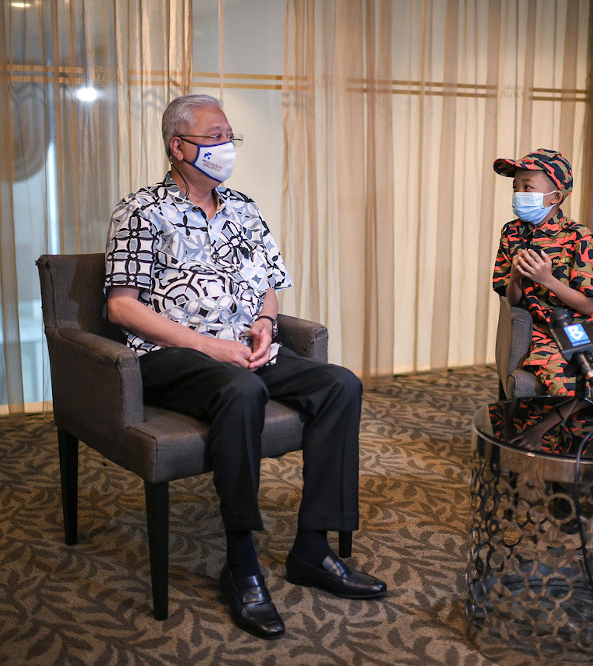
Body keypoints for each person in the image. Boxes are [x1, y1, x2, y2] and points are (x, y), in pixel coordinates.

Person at [104, 94, 386, 640]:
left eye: (229, 136)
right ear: (177, 146)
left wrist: (264, 324)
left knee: (339, 385)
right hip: (173, 356)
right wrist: (209, 347)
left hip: (246, 349)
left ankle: (312, 547)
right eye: (213, 137)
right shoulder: (140, 211)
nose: (225, 147)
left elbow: (268, 288)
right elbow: (121, 305)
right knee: (241, 390)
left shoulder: (244, 209)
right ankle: (241, 563)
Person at [492, 148, 593, 404]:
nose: (519, 194)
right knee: (563, 394)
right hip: (545, 332)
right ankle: (563, 442)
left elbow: (588, 305)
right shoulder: (511, 234)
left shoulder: (580, 237)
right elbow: (513, 301)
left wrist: (546, 279)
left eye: (527, 187)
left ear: (555, 197)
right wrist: (516, 277)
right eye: (515, 187)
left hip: (587, 328)